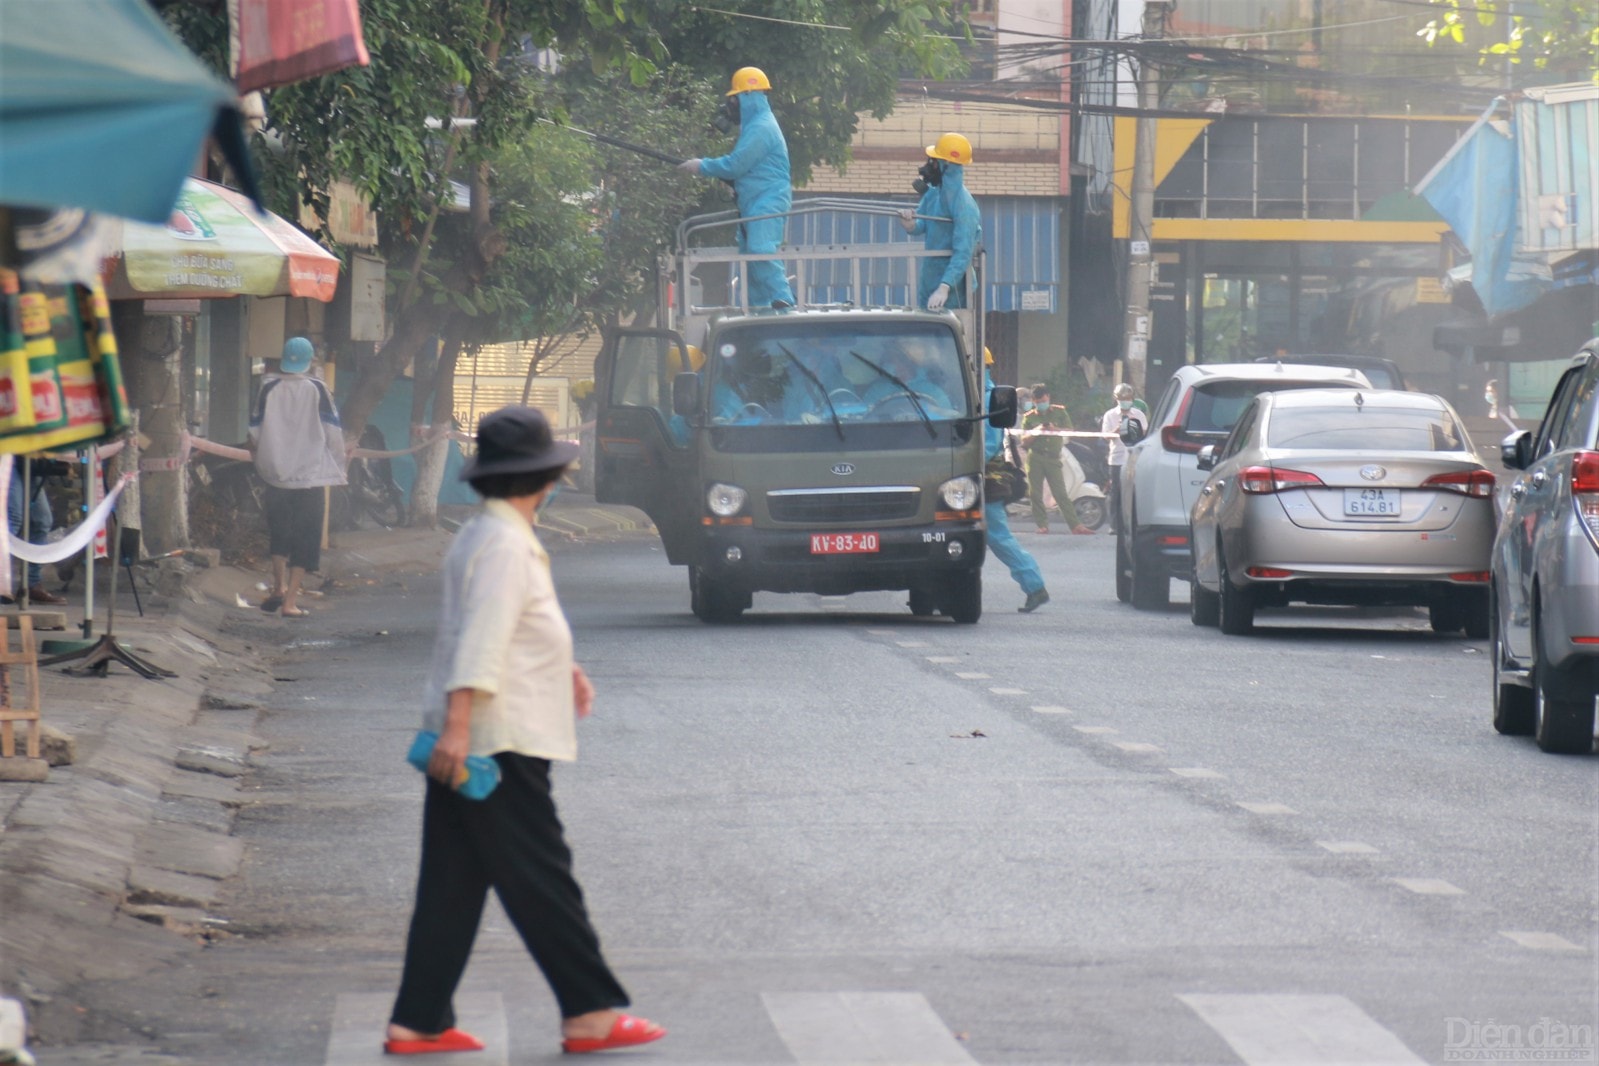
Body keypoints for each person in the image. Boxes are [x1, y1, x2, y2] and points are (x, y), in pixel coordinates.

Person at [385, 406, 666, 1058]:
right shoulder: (507, 545)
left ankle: (419, 1019)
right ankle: (589, 1014)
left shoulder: (483, 534)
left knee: (451, 883)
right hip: (496, 740)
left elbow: (499, 626)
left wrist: (562, 665)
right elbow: (480, 641)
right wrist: (460, 730)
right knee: (543, 877)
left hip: (475, 735)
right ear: (542, 478)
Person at [678, 67, 796, 309]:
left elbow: (736, 164)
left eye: (734, 98)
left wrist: (703, 166)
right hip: (752, 202)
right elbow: (748, 170)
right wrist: (733, 185)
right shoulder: (754, 127)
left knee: (760, 250)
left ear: (747, 97)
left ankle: (783, 301)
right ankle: (760, 309)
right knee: (749, 261)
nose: (731, 105)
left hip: (768, 199)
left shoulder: (763, 127)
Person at [248, 336, 347, 618]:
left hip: (275, 475)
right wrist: (340, 465)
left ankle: (277, 587)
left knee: (279, 533)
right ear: (310, 360)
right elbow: (333, 432)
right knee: (305, 539)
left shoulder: (267, 387)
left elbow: (253, 432)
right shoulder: (318, 389)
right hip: (309, 477)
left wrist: (262, 461)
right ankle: (290, 601)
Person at [982, 350, 1049, 613]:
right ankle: (1034, 585)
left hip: (981, 477)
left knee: (998, 536)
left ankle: (1035, 586)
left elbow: (986, 446)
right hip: (979, 477)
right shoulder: (983, 395)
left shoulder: (986, 398)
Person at [897, 132, 980, 311]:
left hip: (954, 289)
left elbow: (963, 252)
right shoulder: (934, 193)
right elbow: (923, 224)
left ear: (946, 165)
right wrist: (910, 224)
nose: (929, 166)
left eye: (933, 161)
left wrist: (944, 287)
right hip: (930, 277)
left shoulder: (964, 206)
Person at [1022, 384, 1092, 536]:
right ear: (1034, 401)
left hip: (1053, 458)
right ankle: (1042, 525)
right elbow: (1024, 441)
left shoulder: (1059, 412)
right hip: (1035, 457)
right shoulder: (1029, 417)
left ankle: (1075, 525)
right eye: (1039, 401)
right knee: (1035, 493)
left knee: (1060, 493)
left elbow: (1070, 430)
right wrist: (1036, 431)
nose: (1042, 403)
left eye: (1044, 400)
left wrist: (1055, 429)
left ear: (1049, 398)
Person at [6, 457, 67, 604]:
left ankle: (31, 583)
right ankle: (3, 582)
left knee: (42, 520)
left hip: (29, 457)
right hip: (6, 454)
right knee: (13, 519)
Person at [1101, 382, 1147, 535]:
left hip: (1134, 458)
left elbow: (1145, 435)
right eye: (1122, 398)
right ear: (1116, 399)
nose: (1125, 400)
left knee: (1134, 491)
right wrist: (1119, 427)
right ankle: (1114, 525)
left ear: (1132, 398)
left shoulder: (1139, 415)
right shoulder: (1110, 415)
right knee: (1116, 492)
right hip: (1117, 459)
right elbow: (1106, 436)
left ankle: (1134, 524)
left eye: (1127, 397)